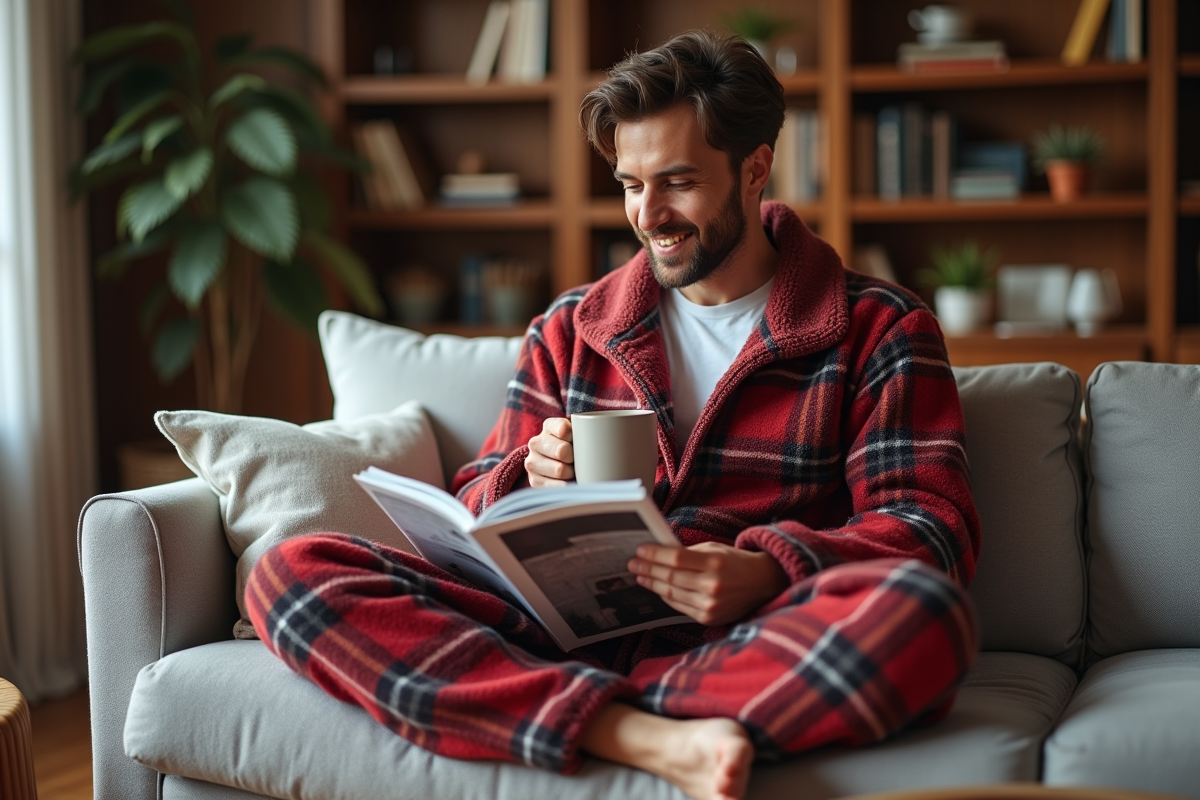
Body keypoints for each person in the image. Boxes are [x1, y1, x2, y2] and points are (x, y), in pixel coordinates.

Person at [246, 30, 981, 800]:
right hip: (544, 632)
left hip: (740, 642)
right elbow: (468, 503)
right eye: (630, 184)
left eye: (678, 181)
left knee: (923, 616)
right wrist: (521, 476)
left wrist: (767, 572)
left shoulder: (880, 328)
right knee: (288, 570)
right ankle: (641, 736)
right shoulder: (572, 326)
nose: (648, 213)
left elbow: (932, 530)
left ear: (755, 168)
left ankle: (534, 711)